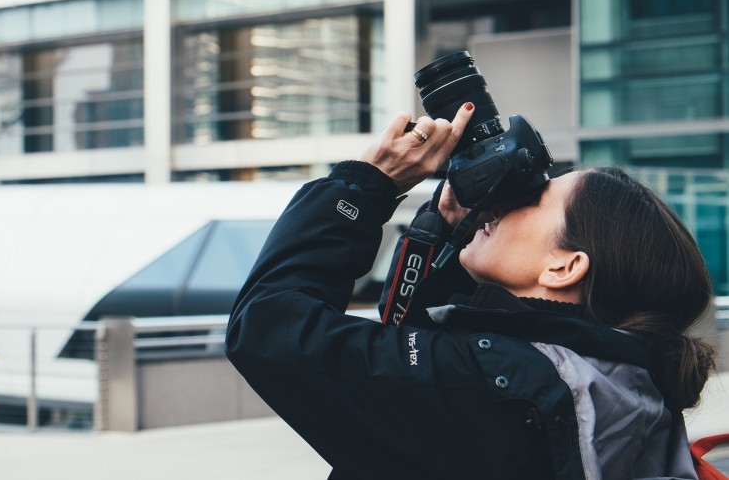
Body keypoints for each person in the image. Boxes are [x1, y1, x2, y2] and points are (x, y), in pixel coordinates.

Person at [226, 102, 716, 479]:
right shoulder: (620, 382)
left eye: (539, 198)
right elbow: (430, 344)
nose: (508, 204)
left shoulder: (496, 385)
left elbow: (268, 327)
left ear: (565, 266)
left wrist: (365, 185)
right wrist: (446, 227)